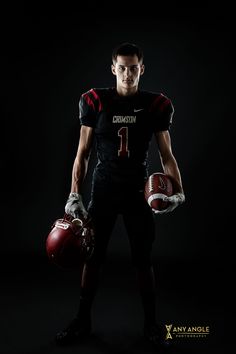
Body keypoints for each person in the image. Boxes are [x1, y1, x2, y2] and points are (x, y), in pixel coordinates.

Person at [55, 42, 185, 348]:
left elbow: (167, 155)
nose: (128, 74)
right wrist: (74, 194)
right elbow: (83, 153)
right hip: (105, 186)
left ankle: (151, 324)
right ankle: (82, 320)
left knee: (142, 259)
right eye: (122, 68)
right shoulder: (95, 101)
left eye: (133, 68)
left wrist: (179, 192)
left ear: (142, 69)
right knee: (93, 257)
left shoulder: (156, 105)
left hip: (137, 189)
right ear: (114, 68)